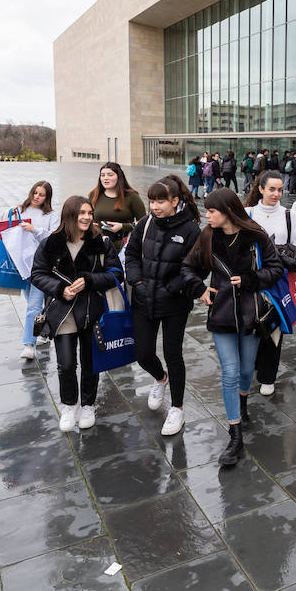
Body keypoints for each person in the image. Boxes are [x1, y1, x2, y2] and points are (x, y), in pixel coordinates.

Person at [181, 189, 286, 466]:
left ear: (227, 210)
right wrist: (200, 290)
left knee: (246, 370)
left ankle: (242, 404)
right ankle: (235, 435)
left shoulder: (256, 236)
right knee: (229, 372)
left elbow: (276, 269)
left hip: (252, 315)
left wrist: (251, 278)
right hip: (223, 314)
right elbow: (188, 268)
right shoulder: (207, 236)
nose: (208, 216)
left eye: (212, 211)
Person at [30, 195, 124, 433]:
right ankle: (69, 404)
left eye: (89, 213)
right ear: (70, 215)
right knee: (66, 363)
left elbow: (116, 273)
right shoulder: (51, 243)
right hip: (62, 313)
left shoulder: (100, 242)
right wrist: (60, 289)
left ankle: (89, 404)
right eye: (81, 213)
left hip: (92, 311)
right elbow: (38, 274)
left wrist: (89, 280)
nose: (86, 217)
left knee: (91, 362)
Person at [124, 176, 200, 437]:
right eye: (152, 201)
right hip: (144, 298)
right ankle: (160, 378)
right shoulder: (144, 224)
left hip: (175, 302)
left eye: (161, 201)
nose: (155, 206)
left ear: (175, 201)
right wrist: (137, 280)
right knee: (142, 353)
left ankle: (177, 408)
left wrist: (173, 287)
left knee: (173, 354)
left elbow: (195, 268)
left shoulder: (190, 230)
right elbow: (131, 255)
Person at [245, 170, 296, 395]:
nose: (276, 194)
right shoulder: (247, 213)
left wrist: (283, 255)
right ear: (260, 189)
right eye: (272, 189)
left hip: (278, 282)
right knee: (252, 324)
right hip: (251, 280)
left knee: (274, 328)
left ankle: (267, 375)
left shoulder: (289, 215)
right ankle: (253, 365)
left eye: (280, 189)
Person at [6, 181, 59, 361]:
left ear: (47, 197)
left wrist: (35, 229)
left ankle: (29, 344)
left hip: (40, 266)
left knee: (34, 306)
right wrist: (8, 215)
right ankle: (44, 330)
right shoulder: (20, 210)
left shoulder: (51, 215)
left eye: (41, 195)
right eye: (35, 193)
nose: (37, 197)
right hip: (21, 265)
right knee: (33, 305)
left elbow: (55, 238)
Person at [88, 162, 146, 255]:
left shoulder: (132, 197)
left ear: (119, 177)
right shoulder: (94, 195)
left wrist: (122, 226)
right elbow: (89, 218)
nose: (105, 178)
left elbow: (144, 223)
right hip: (99, 245)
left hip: (125, 246)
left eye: (110, 175)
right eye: (102, 175)